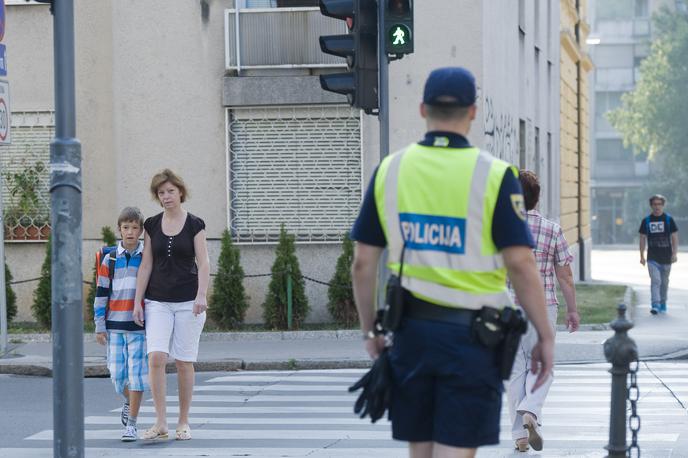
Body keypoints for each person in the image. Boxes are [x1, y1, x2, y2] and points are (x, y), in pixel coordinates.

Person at [350, 67, 555, 458]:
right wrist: (544, 335)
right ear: (474, 112)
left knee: (421, 450)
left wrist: (369, 331)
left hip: (411, 334)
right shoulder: (494, 176)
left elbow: (363, 262)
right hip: (473, 340)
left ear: (423, 108)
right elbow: (521, 264)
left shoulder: (390, 171)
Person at [506, 170, 580, 452]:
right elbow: (566, 276)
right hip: (543, 306)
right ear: (537, 198)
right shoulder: (553, 229)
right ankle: (531, 411)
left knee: (515, 371)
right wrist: (572, 310)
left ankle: (520, 436)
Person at [133, 169, 210, 441]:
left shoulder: (195, 224)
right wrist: (137, 301)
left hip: (188, 302)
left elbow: (204, 263)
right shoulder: (152, 225)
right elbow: (146, 265)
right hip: (157, 301)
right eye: (161, 192)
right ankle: (161, 422)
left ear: (180, 192)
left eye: (170, 191)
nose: (166, 196)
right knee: (156, 358)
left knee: (183, 362)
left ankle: (183, 421)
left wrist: (202, 295)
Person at [93, 207, 148, 442]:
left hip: (138, 327)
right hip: (114, 326)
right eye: (126, 227)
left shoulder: (147, 257)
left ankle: (132, 425)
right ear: (120, 229)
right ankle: (128, 400)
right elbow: (101, 293)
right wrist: (99, 324)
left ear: (141, 231)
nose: (130, 232)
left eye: (135, 227)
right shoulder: (110, 259)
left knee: (137, 376)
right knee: (117, 376)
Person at [639, 194, 678, 315]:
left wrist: (675, 253)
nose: (657, 207)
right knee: (656, 281)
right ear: (651, 205)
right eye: (655, 204)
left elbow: (674, 237)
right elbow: (642, 238)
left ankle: (663, 302)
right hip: (652, 258)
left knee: (664, 282)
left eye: (659, 204)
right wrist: (641, 255)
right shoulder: (646, 221)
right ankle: (655, 304)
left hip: (666, 257)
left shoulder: (668, 219)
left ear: (663, 205)